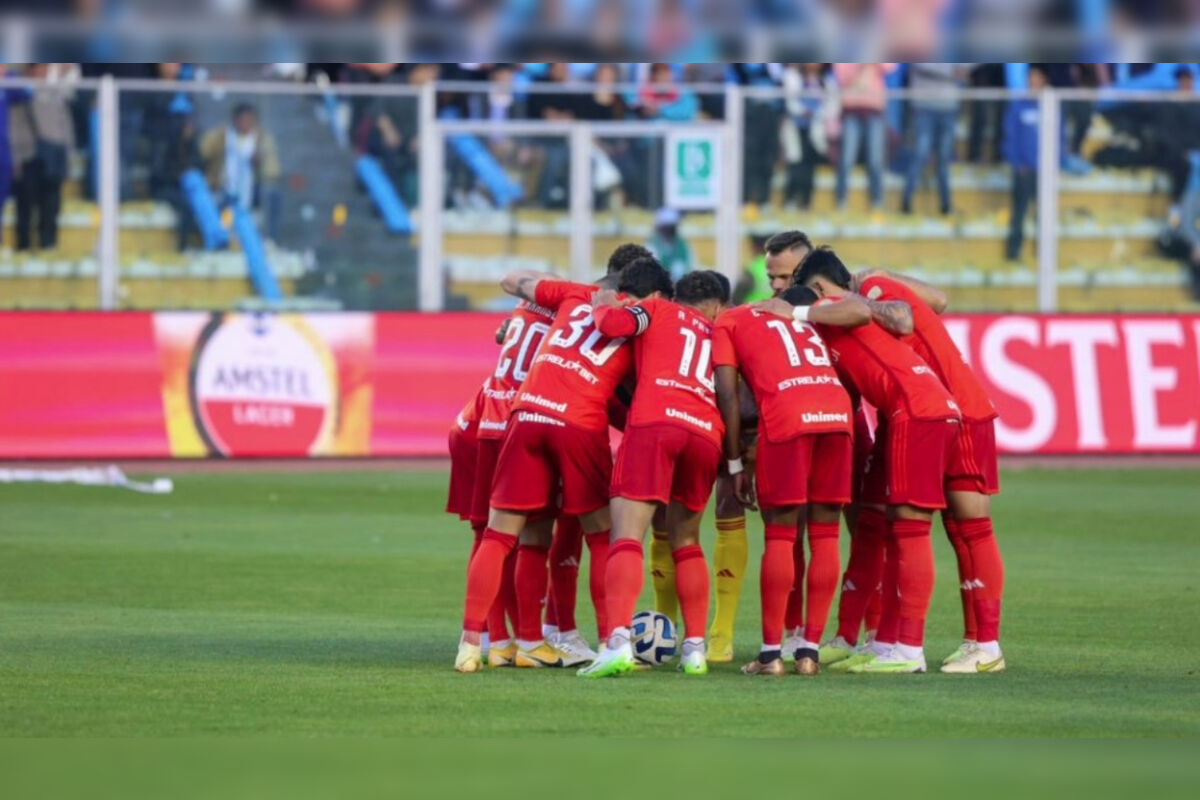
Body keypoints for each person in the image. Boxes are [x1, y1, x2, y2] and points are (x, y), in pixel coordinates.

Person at [759, 248, 961, 674]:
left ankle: (909, 649)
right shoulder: (833, 330)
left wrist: (798, 313)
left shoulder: (832, 306)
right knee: (894, 527)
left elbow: (858, 307)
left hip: (916, 410)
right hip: (920, 408)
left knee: (910, 531)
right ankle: (889, 642)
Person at [455, 263, 641, 672]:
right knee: (595, 535)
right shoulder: (632, 319)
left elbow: (511, 279)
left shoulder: (559, 300)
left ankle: (488, 641)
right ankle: (605, 638)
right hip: (571, 420)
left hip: (508, 417)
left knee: (498, 534)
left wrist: (530, 295)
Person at [850, 267, 1007, 673]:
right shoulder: (870, 294)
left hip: (959, 407)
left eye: (783, 277)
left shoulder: (869, 290)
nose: (778, 286)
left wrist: (870, 280)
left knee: (968, 527)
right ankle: (896, 640)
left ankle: (986, 645)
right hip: (925, 410)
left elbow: (917, 308)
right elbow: (936, 300)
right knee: (903, 524)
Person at [579, 265, 730, 678]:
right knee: (687, 541)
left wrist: (605, 298)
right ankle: (696, 649)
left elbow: (612, 324)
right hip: (705, 431)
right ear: (716, 305)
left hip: (656, 421)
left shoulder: (657, 309)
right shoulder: (722, 331)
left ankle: (618, 643)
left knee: (627, 535)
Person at [713, 287, 865, 676]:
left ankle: (770, 656)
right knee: (827, 534)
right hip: (837, 413)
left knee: (781, 536)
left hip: (787, 415)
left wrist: (734, 464)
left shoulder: (728, 320)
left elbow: (728, 395)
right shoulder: (799, 313)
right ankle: (810, 653)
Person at [703, 229, 814, 663]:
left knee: (795, 533)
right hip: (752, 431)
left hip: (801, 432)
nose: (778, 286)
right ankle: (722, 635)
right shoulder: (753, 314)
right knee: (735, 511)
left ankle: (798, 632)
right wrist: (740, 451)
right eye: (772, 276)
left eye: (785, 277)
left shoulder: (830, 314)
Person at [9, 64, 75, 253]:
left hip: (53, 155)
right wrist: (18, 155)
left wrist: (67, 154)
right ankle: (24, 246)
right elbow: (16, 125)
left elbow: (65, 125)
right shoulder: (21, 93)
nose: (44, 72)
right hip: (29, 155)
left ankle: (49, 244)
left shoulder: (55, 93)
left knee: (51, 204)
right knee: (26, 205)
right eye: (39, 68)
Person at [200, 103, 282, 240]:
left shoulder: (262, 139)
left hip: (251, 194)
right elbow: (203, 154)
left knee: (271, 196)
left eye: (250, 120)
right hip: (222, 190)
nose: (246, 124)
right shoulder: (221, 136)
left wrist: (259, 162)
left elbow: (273, 171)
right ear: (235, 120)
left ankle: (268, 240)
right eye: (242, 120)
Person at [902, 64, 965, 216]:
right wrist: (951, 71)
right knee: (920, 154)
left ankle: (946, 205)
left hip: (948, 107)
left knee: (944, 159)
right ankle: (906, 203)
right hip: (925, 106)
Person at [834, 63, 897, 212]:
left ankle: (877, 201)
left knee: (876, 159)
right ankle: (842, 200)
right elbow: (841, 77)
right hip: (851, 109)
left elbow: (890, 68)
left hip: (874, 109)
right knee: (847, 158)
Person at [1003, 64, 1046, 261]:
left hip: (1043, 170)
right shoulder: (1019, 106)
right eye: (1031, 77)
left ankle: (1043, 253)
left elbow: (1058, 139)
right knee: (1019, 212)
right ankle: (1014, 252)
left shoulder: (1049, 105)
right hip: (1024, 170)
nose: (1033, 81)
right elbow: (1010, 137)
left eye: (1037, 78)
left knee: (1044, 214)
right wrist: (1017, 163)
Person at [647, 207, 694, 280]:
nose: (668, 231)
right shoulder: (652, 246)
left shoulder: (683, 245)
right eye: (666, 228)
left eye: (671, 228)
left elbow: (691, 265)